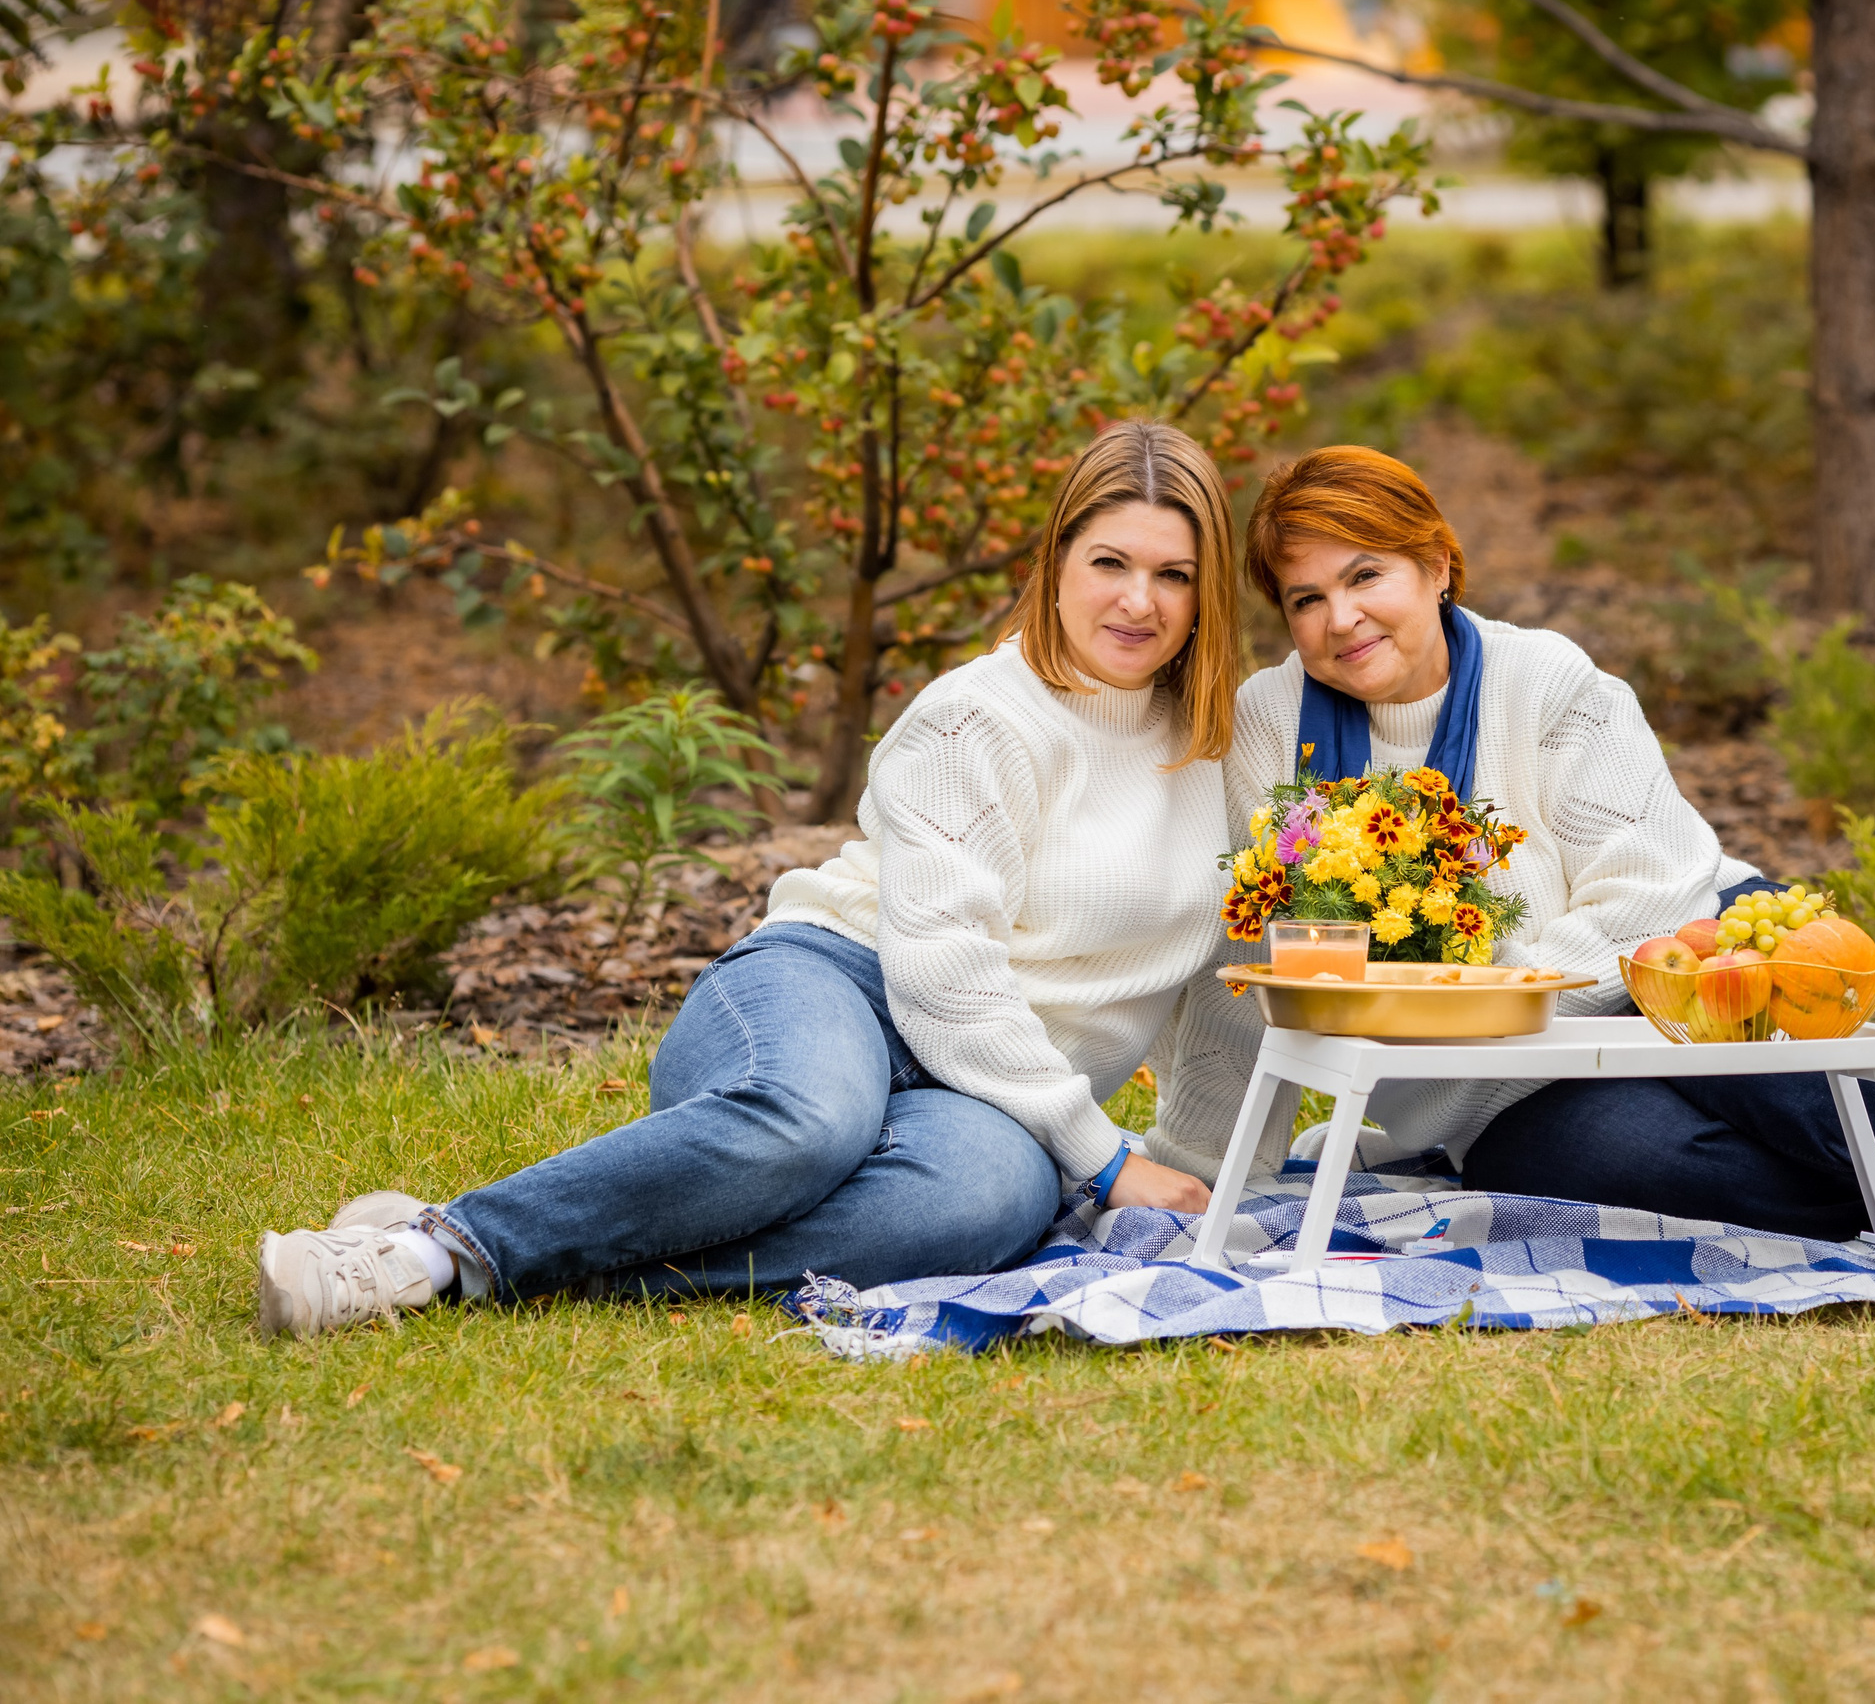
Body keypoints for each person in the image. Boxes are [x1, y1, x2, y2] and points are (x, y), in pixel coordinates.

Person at [1149, 446, 1875, 1263]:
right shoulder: (1265, 728)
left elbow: (1646, 894)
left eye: (1366, 575)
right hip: (1495, 1095)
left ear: (1437, 564)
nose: (1340, 618)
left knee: (1790, 1086)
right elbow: (1258, 960)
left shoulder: (1552, 685)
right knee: (1667, 1170)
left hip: (1677, 951)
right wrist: (1205, 1177)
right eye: (1305, 597)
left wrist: (1484, 992)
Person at [256, 420, 1230, 1338]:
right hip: (843, 982)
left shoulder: (1221, 755)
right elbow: (944, 975)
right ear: (1056, 565)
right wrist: (1102, 1160)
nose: (1137, 601)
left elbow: (1226, 982)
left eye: (1171, 575)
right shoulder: (975, 719)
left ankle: (551, 1256)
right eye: (1110, 562)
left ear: (1206, 594)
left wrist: (1188, 1171)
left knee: (989, 1203)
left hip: (988, 1097)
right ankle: (425, 1250)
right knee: (811, 1123)